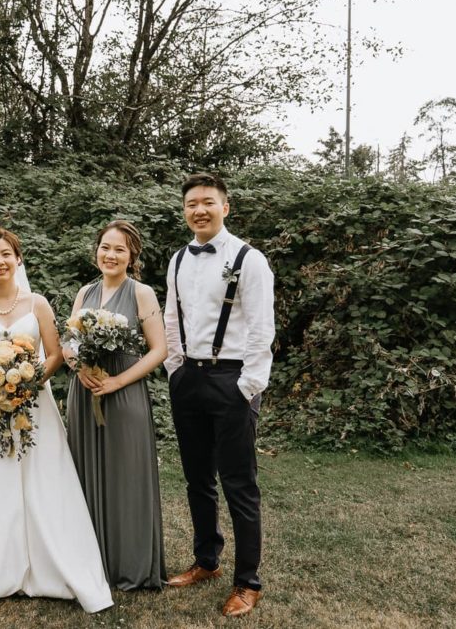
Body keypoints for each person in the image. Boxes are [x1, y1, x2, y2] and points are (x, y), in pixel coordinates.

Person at [0, 227, 113, 614]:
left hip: (34, 404)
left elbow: (55, 354)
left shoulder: (37, 303)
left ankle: (49, 564)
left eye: (5, 254)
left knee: (42, 480)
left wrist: (28, 383)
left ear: (18, 258)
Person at [163, 173, 275, 618]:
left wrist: (247, 386)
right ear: (185, 210)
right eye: (192, 203)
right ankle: (206, 560)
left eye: (208, 202)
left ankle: (248, 582)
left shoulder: (249, 259)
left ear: (225, 207)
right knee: (197, 480)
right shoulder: (177, 259)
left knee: (239, 484)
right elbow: (172, 318)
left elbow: (262, 329)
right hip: (188, 378)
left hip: (232, 379)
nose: (199, 210)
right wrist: (175, 369)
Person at [65, 220, 168, 590]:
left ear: (132, 256)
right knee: (83, 473)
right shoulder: (84, 292)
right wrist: (78, 368)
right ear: (96, 250)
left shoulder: (142, 293)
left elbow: (159, 350)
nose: (110, 255)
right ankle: (89, 563)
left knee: (127, 476)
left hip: (124, 393)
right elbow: (68, 343)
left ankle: (128, 565)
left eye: (119, 249)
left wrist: (117, 382)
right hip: (85, 392)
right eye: (105, 247)